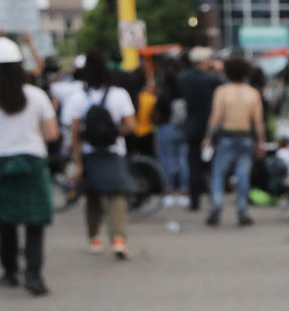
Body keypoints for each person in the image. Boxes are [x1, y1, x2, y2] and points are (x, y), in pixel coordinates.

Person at [62, 50, 137, 259]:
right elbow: (132, 125)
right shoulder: (119, 95)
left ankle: (94, 239)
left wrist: (78, 162)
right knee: (117, 195)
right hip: (114, 152)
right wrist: (113, 133)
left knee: (93, 196)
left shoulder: (77, 97)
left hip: (89, 153)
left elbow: (74, 133)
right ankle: (119, 240)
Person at [0, 37, 59, 295]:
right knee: (35, 222)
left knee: (5, 222)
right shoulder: (36, 96)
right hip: (33, 162)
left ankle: (10, 271)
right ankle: (33, 275)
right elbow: (51, 135)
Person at [202, 56, 264, 227]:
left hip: (226, 136)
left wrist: (208, 137)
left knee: (218, 173)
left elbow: (215, 117)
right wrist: (260, 142)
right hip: (245, 136)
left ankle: (216, 205)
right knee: (243, 174)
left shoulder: (222, 92)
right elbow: (258, 121)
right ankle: (242, 210)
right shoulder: (252, 93)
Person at [179, 47, 221, 210]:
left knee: (193, 164)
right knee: (212, 165)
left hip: (191, 126)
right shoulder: (212, 80)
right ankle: (214, 199)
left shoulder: (184, 78)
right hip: (209, 126)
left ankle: (194, 200)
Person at [154, 60, 190, 206]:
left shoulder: (163, 94)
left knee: (167, 160)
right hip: (183, 129)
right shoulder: (184, 93)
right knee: (183, 161)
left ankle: (169, 191)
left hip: (166, 128)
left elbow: (156, 113)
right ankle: (184, 191)